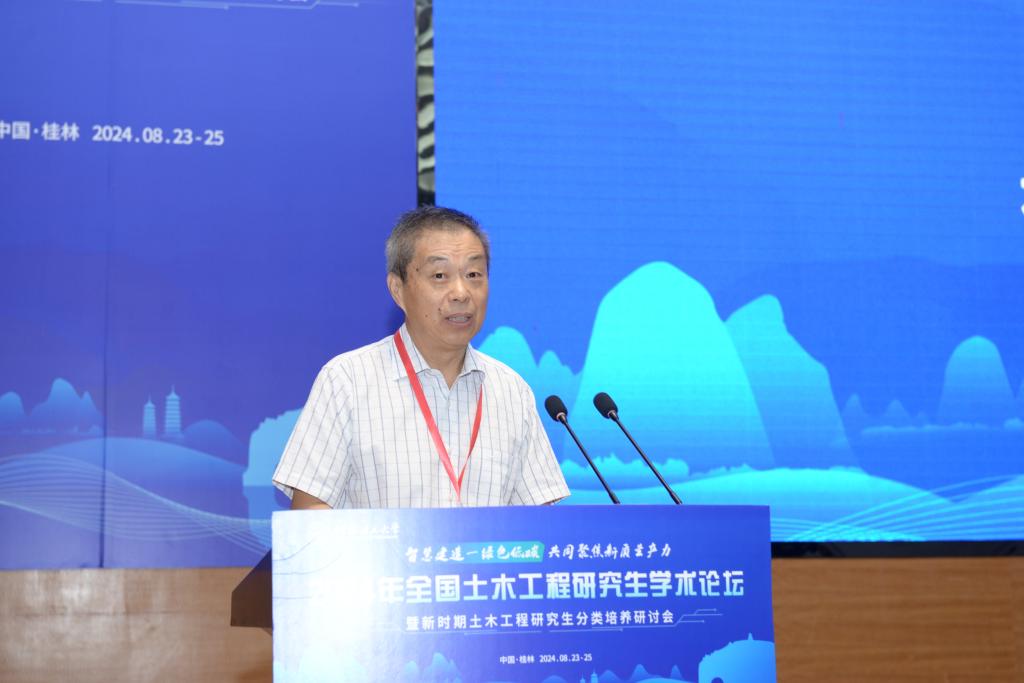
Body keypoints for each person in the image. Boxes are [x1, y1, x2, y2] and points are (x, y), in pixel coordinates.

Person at [272, 206, 570, 509]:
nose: (461, 293)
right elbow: (310, 514)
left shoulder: (512, 392)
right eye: (440, 275)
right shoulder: (346, 381)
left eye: (473, 275)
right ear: (397, 290)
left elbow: (542, 524)